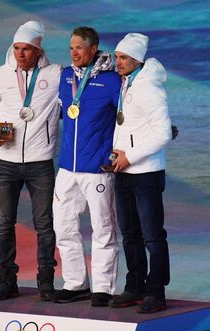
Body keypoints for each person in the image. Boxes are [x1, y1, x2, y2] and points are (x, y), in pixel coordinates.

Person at [0, 21, 61, 301]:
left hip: (40, 162)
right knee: (4, 223)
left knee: (45, 223)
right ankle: (6, 280)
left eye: (27, 49)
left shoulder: (55, 74)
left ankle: (46, 281)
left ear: (39, 50)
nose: (21, 54)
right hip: (6, 161)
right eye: (17, 48)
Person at [53, 26, 121, 307]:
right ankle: (75, 283)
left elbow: (126, 117)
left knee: (102, 229)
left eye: (79, 47)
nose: (74, 53)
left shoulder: (112, 80)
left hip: (97, 169)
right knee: (64, 226)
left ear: (93, 49)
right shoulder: (66, 76)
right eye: (71, 48)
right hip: (68, 167)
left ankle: (104, 288)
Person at [109, 33, 172, 313]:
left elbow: (163, 133)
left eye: (123, 58)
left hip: (145, 173)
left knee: (151, 235)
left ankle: (156, 292)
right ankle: (134, 286)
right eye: (117, 57)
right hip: (123, 171)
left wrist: (130, 156)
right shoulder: (127, 84)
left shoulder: (149, 89)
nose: (117, 62)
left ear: (136, 60)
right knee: (130, 233)